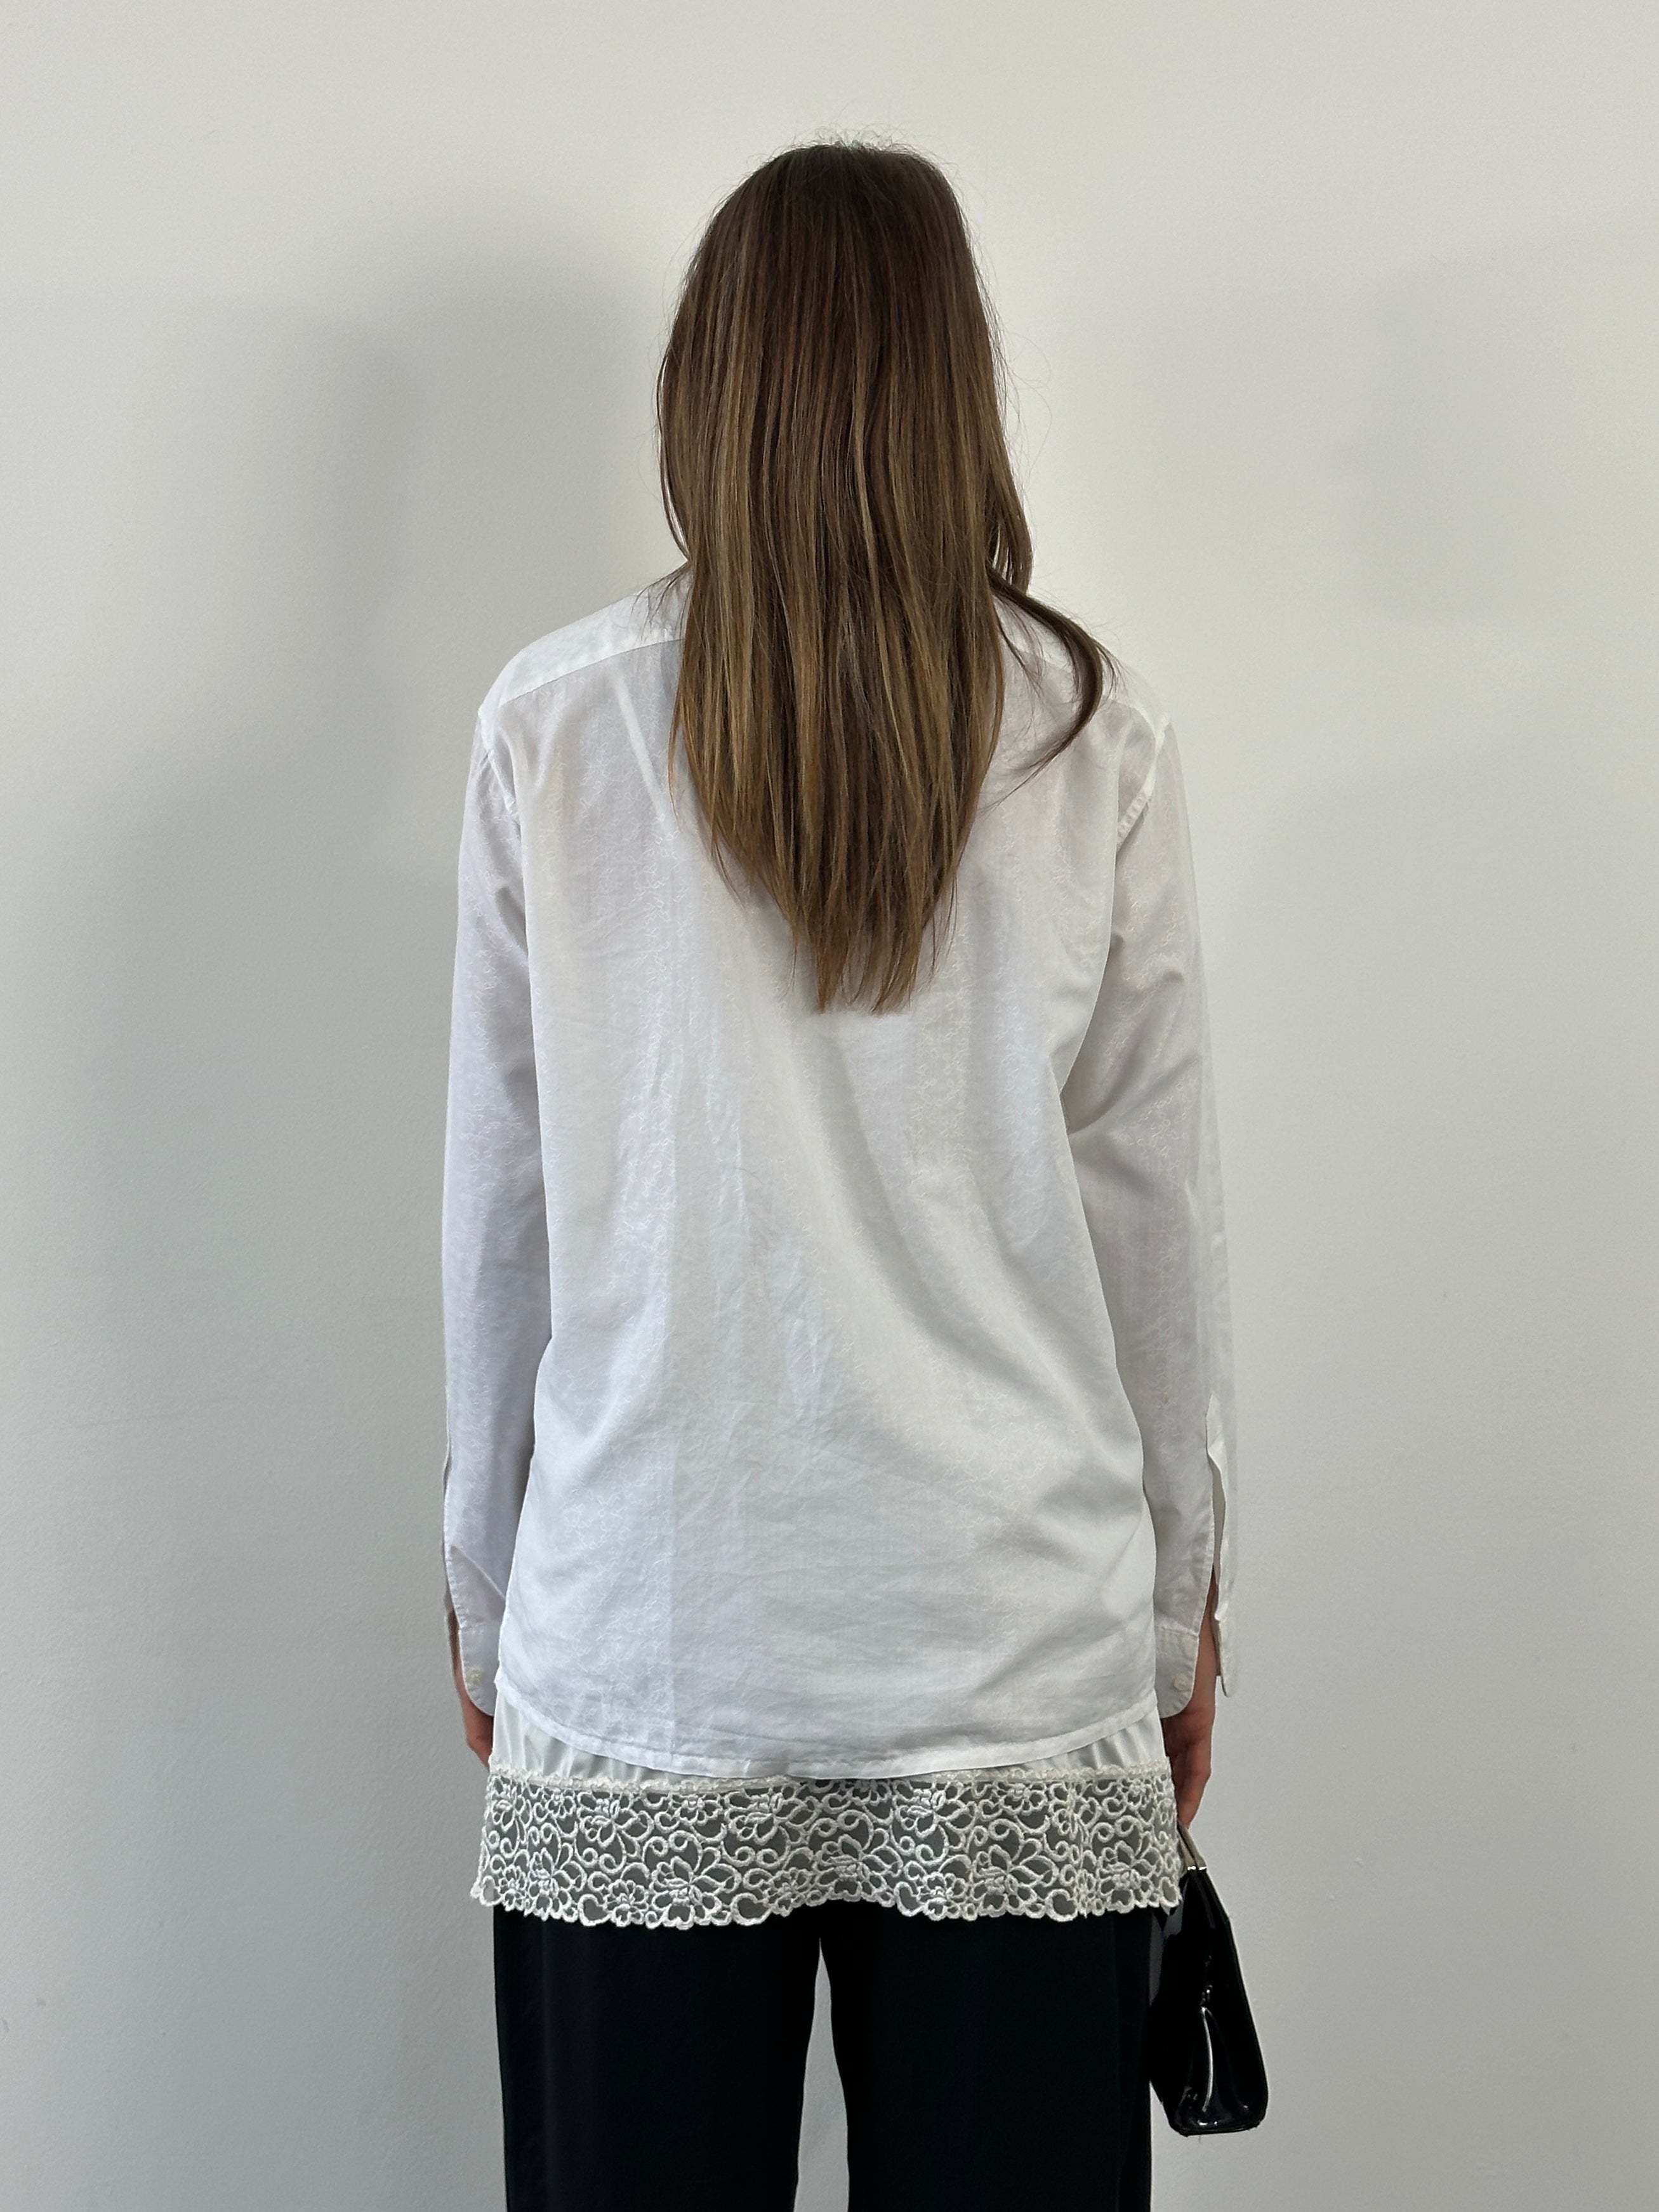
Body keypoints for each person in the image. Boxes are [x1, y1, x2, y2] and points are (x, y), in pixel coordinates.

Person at [440, 139, 1235, 2212]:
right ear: (955, 389)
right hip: (1008, 1640)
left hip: (657, 1630)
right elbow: (1153, 1225)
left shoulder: (558, 726)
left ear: (705, 387)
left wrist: (494, 1598)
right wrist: (1173, 1620)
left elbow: (504, 1222)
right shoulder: (1087, 734)